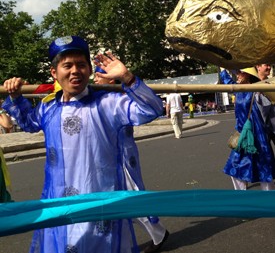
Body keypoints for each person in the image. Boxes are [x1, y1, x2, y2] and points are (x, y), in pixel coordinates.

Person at [2, 35, 164, 253]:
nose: (75, 71)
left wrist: (127, 77)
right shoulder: (47, 108)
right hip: (60, 204)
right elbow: (28, 123)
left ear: (89, 70)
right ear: (54, 73)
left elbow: (152, 109)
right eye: (67, 66)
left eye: (81, 65)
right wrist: (15, 97)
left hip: (101, 204)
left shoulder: (109, 103)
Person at [94, 67, 169, 253]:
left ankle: (158, 233)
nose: (94, 79)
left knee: (132, 196)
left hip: (122, 159)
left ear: (111, 79)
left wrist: (128, 79)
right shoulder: (94, 99)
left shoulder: (122, 100)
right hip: (103, 162)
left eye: (98, 75)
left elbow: (152, 108)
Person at [220, 67, 275, 191]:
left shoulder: (257, 90)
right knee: (235, 166)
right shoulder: (238, 89)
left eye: (240, 72)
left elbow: (267, 108)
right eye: (237, 72)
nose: (237, 75)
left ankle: (270, 198)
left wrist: (262, 92)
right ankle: (242, 196)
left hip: (258, 135)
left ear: (248, 75)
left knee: (263, 167)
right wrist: (223, 68)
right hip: (242, 135)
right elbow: (228, 82)